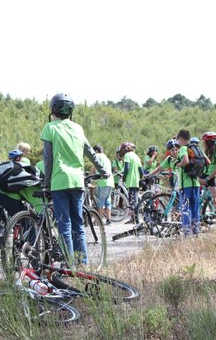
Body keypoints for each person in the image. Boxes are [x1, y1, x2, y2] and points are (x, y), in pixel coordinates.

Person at [41, 93, 108, 266]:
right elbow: (90, 152)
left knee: (64, 224)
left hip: (59, 181)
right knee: (78, 224)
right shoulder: (78, 128)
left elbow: (48, 159)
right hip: (77, 182)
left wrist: (46, 183)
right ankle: (82, 263)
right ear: (71, 111)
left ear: (52, 110)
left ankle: (69, 265)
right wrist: (104, 171)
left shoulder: (49, 128)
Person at [175, 129, 203, 235]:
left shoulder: (183, 148)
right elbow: (207, 161)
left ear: (181, 139)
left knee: (185, 209)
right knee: (195, 209)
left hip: (186, 185)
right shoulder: (196, 148)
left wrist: (178, 164)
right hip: (196, 183)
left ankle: (187, 232)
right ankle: (196, 231)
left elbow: (186, 161)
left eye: (178, 140)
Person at [91, 145, 114, 224]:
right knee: (107, 200)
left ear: (96, 151)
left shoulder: (97, 156)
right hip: (110, 181)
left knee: (101, 200)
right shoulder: (106, 158)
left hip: (102, 181)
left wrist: (89, 175)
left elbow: (94, 167)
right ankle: (108, 219)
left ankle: (99, 220)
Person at [119, 142, 142, 218]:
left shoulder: (127, 155)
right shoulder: (136, 156)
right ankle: (135, 218)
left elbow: (127, 167)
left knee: (132, 201)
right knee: (135, 200)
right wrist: (140, 178)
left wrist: (124, 177)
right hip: (136, 181)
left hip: (130, 181)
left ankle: (134, 218)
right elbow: (141, 170)